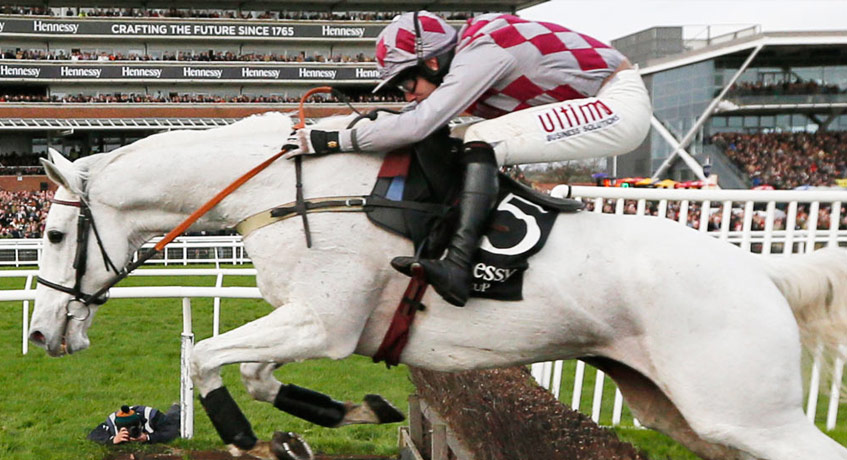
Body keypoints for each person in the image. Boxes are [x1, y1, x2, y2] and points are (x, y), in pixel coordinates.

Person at [284, 11, 652, 307]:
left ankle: (458, 266)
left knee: (481, 138)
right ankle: (462, 246)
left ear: (430, 63)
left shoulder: (485, 46)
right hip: (594, 101)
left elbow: (419, 123)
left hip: (617, 104)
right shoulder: (468, 55)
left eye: (407, 84)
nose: (408, 95)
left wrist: (333, 139)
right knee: (460, 140)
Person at [87, 404, 180, 445]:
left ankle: (177, 408)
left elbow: (172, 431)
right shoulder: (111, 422)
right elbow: (93, 435)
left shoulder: (151, 416)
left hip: (159, 420)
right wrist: (113, 440)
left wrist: (148, 438)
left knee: (174, 420)